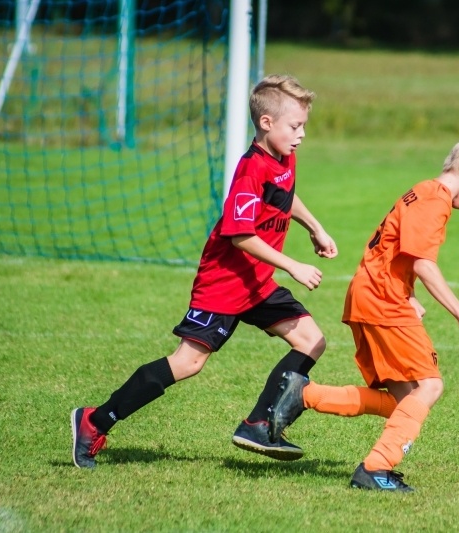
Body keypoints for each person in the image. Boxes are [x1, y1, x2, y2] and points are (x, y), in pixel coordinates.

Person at [71, 74, 338, 468]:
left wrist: (314, 226)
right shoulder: (251, 170)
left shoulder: (284, 158)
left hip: (257, 283)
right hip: (225, 284)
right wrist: (293, 265)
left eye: (303, 127)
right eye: (295, 126)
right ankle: (95, 420)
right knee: (187, 363)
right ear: (266, 124)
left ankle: (259, 423)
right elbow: (239, 236)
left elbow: (285, 194)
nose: (301, 135)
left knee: (312, 340)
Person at [268, 137, 459, 491]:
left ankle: (304, 395)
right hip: (383, 299)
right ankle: (375, 468)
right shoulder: (435, 201)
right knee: (430, 386)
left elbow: (395, 249)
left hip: (374, 294)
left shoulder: (424, 191)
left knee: (403, 402)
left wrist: (409, 293)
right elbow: (423, 262)